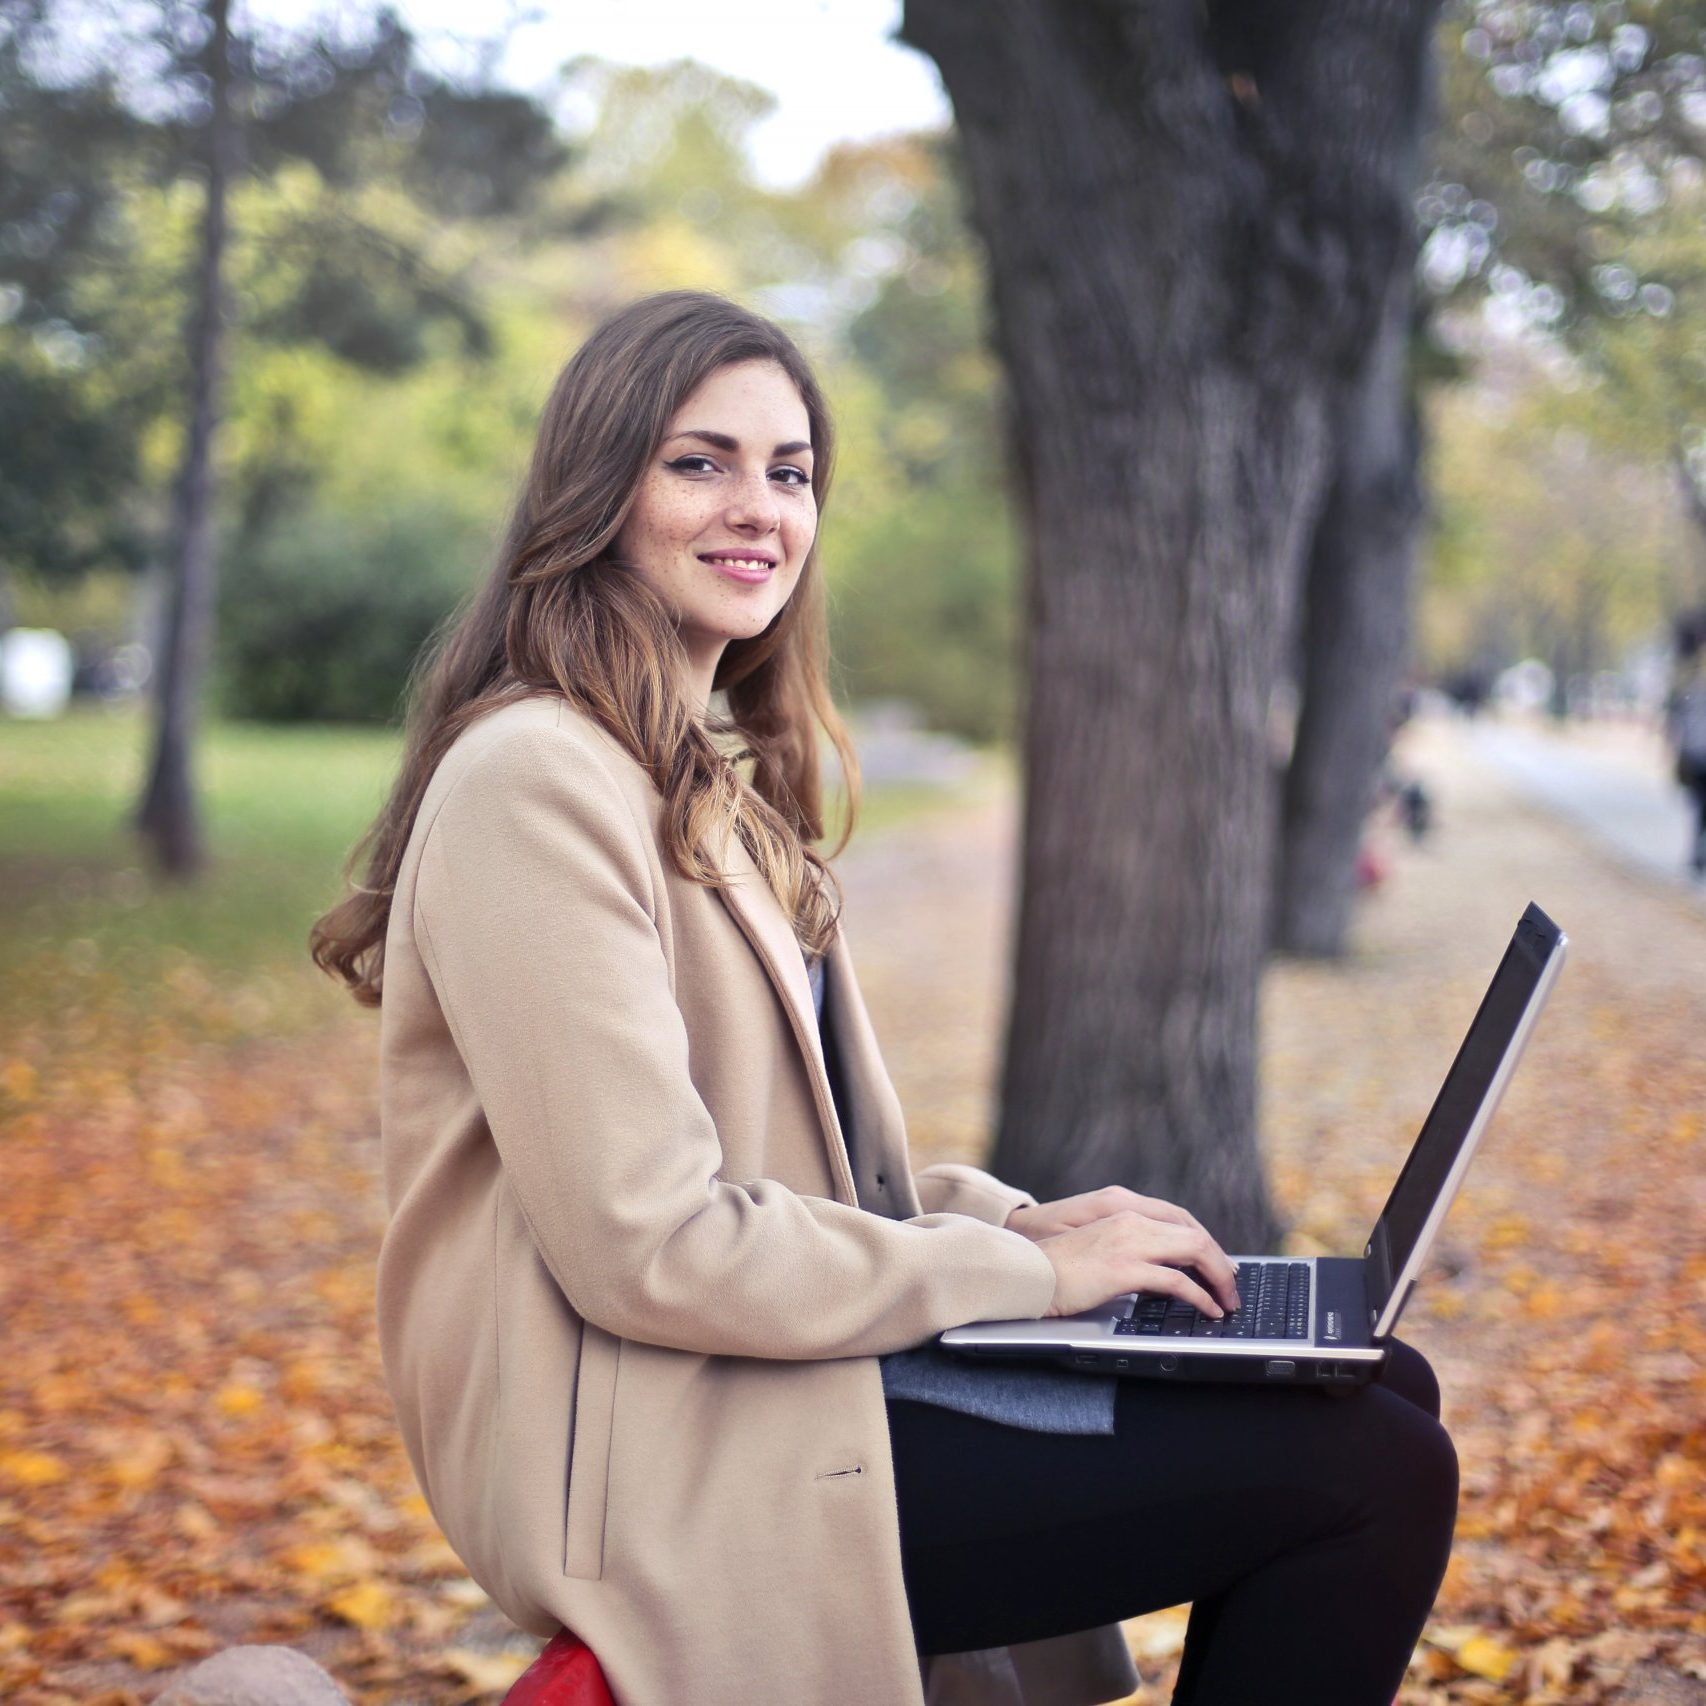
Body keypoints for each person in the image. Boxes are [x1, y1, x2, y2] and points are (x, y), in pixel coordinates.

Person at [310, 291, 1458, 1706]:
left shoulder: (689, 773)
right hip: (650, 1454)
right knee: (1372, 1467)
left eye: (788, 471)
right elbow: (649, 1241)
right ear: (597, 488)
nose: (758, 508)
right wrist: (1033, 1282)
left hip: (762, 1381)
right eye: (701, 461)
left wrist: (1024, 1222)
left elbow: (817, 1177)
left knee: (1375, 1385)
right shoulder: (536, 780)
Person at [1666, 610, 1706, 878]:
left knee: (1700, 805)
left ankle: (1696, 850)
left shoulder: (1691, 683)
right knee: (1700, 804)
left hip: (1694, 753)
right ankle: (1696, 850)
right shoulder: (1692, 684)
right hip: (1696, 755)